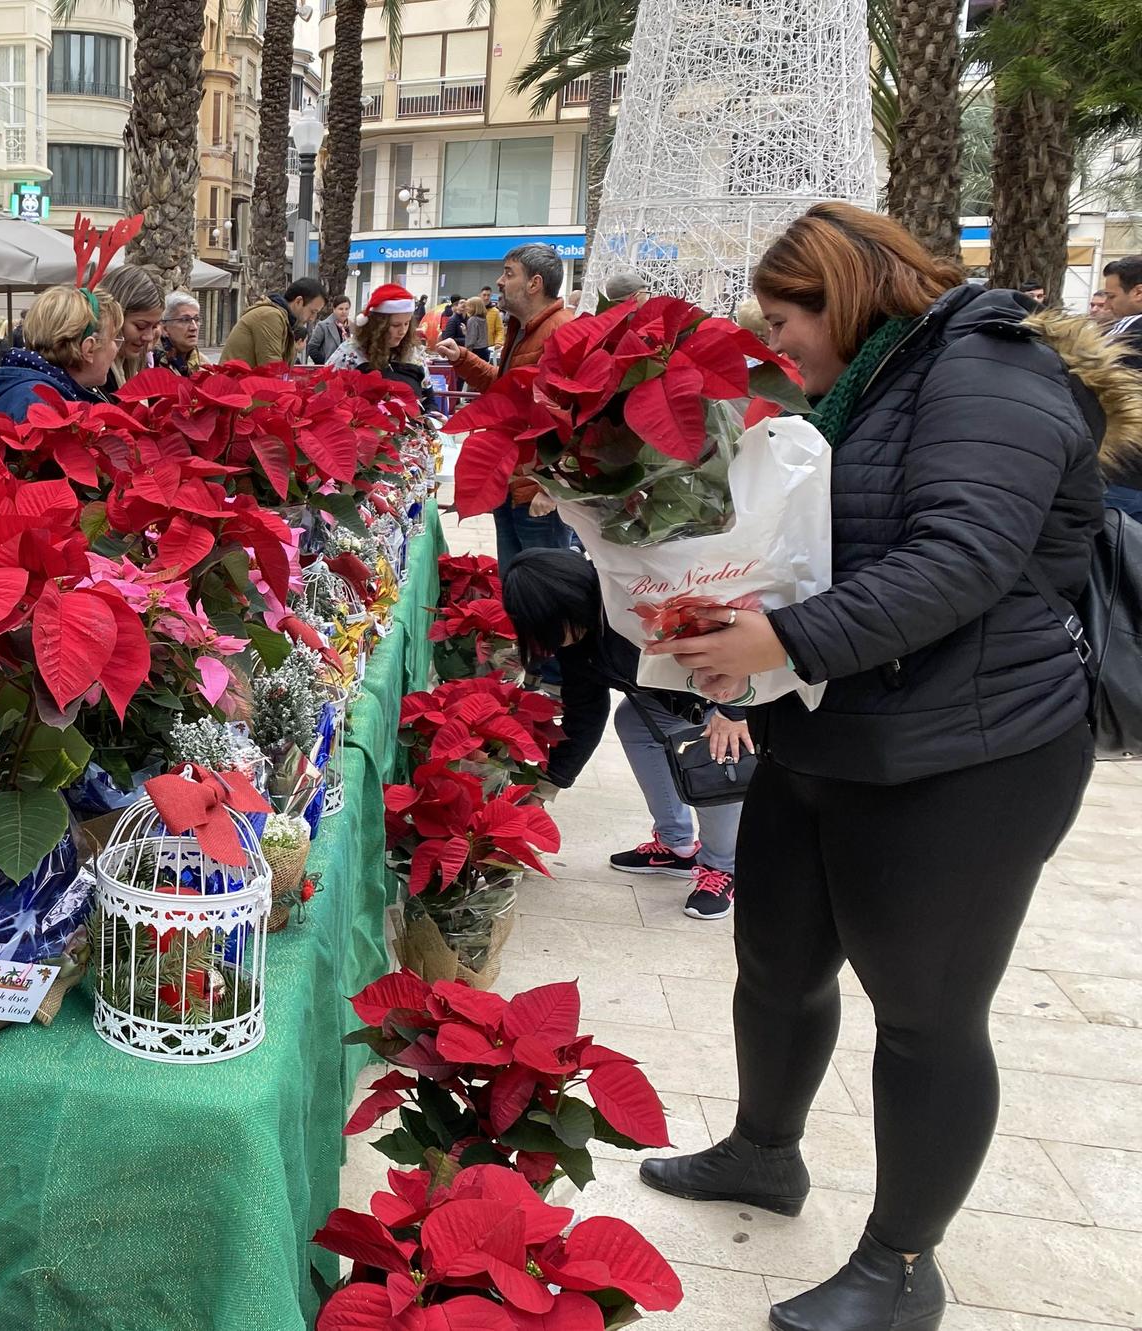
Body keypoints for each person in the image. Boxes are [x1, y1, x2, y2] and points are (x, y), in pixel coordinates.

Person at [642, 202, 1111, 1331]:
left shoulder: (983, 370)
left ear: (845, 291)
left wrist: (781, 642)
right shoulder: (867, 387)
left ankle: (901, 1264)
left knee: (923, 1014)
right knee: (777, 962)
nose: (775, 338)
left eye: (786, 313)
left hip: (967, 752)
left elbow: (961, 555)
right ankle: (764, 1152)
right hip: (836, 727)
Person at [501, 549, 746, 920]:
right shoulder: (578, 639)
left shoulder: (639, 604)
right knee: (632, 721)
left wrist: (734, 711)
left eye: (549, 626)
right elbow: (585, 716)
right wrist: (541, 791)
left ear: (571, 603)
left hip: (729, 690)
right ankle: (677, 846)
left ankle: (722, 867)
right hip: (679, 697)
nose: (548, 639)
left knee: (711, 748)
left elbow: (732, 640)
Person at [437, 243, 578, 569]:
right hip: (511, 485)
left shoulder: (561, 331)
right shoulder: (522, 329)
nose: (499, 281)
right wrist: (463, 359)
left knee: (543, 594)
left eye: (508, 273)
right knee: (516, 587)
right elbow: (506, 395)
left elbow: (578, 417)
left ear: (535, 283)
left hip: (537, 497)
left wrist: (554, 489)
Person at [0, 285, 125, 420]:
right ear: (89, 348)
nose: (116, 349)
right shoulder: (41, 403)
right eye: (114, 338)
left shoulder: (35, 390)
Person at [326, 284, 436, 408]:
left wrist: (431, 419)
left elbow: (429, 400)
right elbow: (326, 392)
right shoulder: (350, 352)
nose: (402, 331)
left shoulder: (414, 353)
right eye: (395, 325)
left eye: (406, 324)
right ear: (377, 326)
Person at [1097, 256, 1142, 517]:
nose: (1107, 305)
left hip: (1124, 470)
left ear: (1138, 292)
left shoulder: (1128, 330)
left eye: (1112, 297)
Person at [221, 276, 326, 367]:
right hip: (234, 385)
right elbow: (272, 367)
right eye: (313, 311)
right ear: (298, 301)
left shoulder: (284, 320)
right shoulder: (271, 316)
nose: (312, 318)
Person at [101, 265, 166, 387]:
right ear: (114, 316)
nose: (149, 337)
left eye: (154, 327)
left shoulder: (131, 368)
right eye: (140, 326)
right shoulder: (92, 376)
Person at [159, 290, 206, 376]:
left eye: (196, 319)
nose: (194, 327)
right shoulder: (152, 363)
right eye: (185, 320)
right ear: (165, 328)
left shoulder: (204, 365)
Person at [305, 296, 352, 364]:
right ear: (334, 309)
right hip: (328, 369)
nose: (344, 312)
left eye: (346, 309)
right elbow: (312, 348)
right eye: (341, 309)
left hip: (347, 370)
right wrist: (324, 364)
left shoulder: (351, 327)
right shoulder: (323, 326)